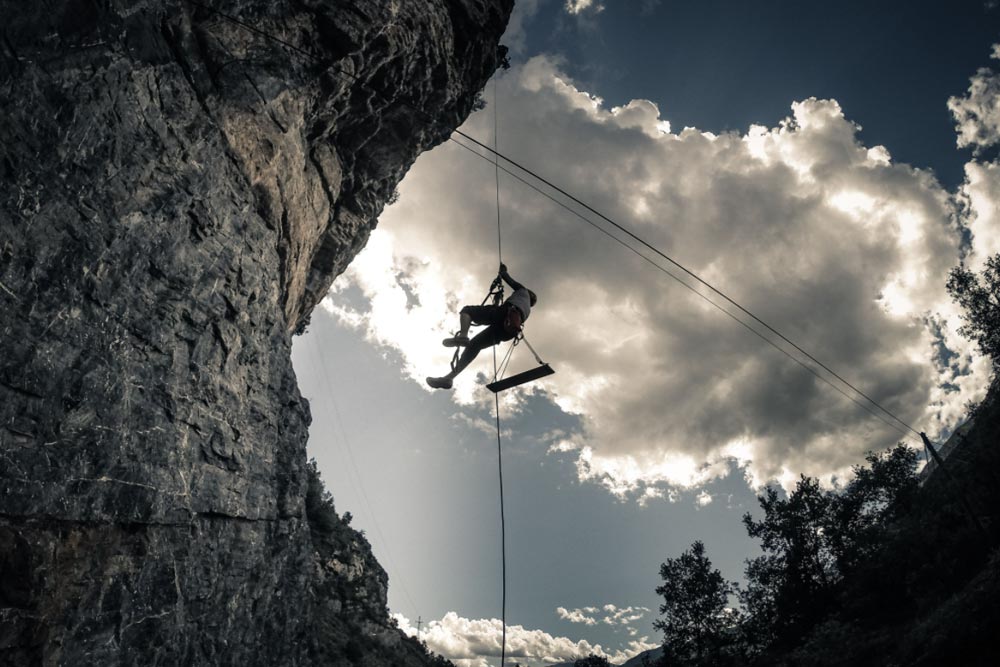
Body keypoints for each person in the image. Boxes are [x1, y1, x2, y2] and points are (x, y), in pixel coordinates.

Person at [426, 264, 537, 390]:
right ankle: (449, 378)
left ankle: (463, 336)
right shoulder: (526, 309)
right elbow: (499, 315)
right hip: (509, 330)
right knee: (474, 346)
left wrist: (503, 271)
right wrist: (497, 301)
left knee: (467, 311)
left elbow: (507, 279)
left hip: (505, 313)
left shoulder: (522, 291)